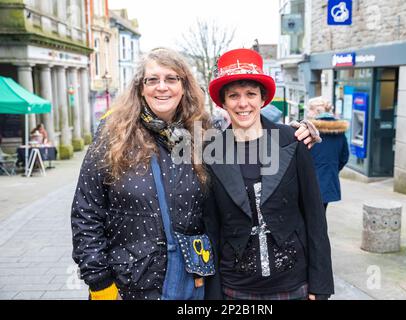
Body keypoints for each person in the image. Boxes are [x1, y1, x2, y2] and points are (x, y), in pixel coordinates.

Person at [71, 47, 319, 301]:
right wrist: (100, 283)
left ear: (184, 86)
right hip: (129, 284)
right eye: (153, 79)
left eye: (171, 79)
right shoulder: (113, 134)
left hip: (190, 282)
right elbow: (86, 211)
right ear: (140, 88)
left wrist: (296, 134)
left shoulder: (201, 136)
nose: (162, 87)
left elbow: (247, 141)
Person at [204, 48, 334, 300]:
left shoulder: (293, 141)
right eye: (234, 96)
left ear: (263, 99)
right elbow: (212, 227)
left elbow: (315, 217)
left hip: (293, 283)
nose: (243, 103)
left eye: (251, 94)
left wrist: (321, 283)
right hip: (236, 287)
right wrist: (214, 293)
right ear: (223, 102)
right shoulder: (211, 151)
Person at [306, 97, 349, 213]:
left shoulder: (308, 131)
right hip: (329, 180)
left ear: (316, 111)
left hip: (308, 182)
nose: (308, 113)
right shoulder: (339, 132)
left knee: (307, 217)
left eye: (309, 109)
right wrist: (332, 168)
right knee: (321, 215)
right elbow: (344, 157)